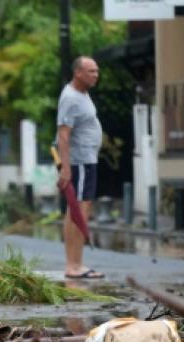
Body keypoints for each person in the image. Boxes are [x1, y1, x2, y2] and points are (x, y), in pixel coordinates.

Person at [57, 56, 104, 280]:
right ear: (78, 73)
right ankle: (73, 265)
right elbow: (63, 134)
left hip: (87, 160)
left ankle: (76, 263)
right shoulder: (71, 98)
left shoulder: (83, 94)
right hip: (80, 162)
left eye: (97, 71)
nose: (96, 75)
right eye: (91, 71)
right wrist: (66, 168)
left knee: (79, 209)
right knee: (78, 210)